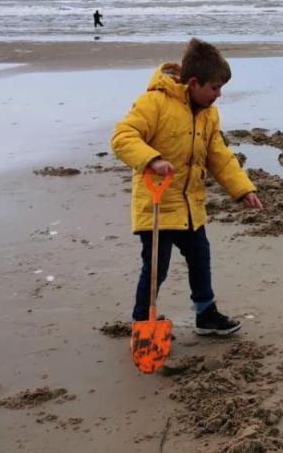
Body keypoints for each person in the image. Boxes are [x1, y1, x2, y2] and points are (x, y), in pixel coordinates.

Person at [111, 38, 263, 335]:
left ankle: (206, 314)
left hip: (190, 205)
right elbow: (123, 137)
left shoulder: (208, 114)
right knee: (156, 268)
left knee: (200, 259)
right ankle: (142, 322)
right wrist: (152, 160)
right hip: (157, 205)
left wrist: (243, 189)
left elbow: (218, 155)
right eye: (215, 88)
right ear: (194, 83)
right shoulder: (154, 102)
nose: (219, 95)